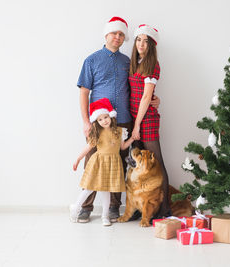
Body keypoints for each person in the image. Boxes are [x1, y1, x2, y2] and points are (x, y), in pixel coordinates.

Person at [76, 17, 160, 223]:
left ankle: (114, 206)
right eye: (114, 33)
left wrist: (155, 99)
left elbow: (140, 88)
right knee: (93, 163)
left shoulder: (127, 62)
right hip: (99, 121)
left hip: (123, 120)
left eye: (122, 34)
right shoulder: (91, 60)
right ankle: (85, 207)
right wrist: (87, 122)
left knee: (120, 164)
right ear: (106, 35)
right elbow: (84, 92)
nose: (118, 37)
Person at [70, 98, 135, 226]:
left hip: (113, 164)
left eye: (106, 117)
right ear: (97, 121)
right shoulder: (97, 132)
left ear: (110, 116)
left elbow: (122, 147)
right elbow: (88, 147)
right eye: (100, 119)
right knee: (88, 189)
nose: (104, 121)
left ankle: (105, 216)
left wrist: (132, 138)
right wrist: (78, 159)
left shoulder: (119, 131)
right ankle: (75, 210)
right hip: (99, 163)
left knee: (107, 191)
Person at [129, 24, 171, 218]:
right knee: (138, 165)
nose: (141, 44)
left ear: (152, 45)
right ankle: (141, 207)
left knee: (157, 164)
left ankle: (164, 210)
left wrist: (137, 126)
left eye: (146, 41)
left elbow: (146, 98)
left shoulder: (152, 64)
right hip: (134, 116)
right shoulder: (136, 61)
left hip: (146, 120)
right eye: (139, 40)